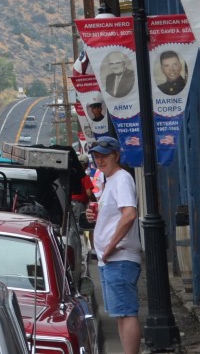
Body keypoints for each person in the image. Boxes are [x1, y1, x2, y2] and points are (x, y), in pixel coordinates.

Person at [88, 135, 141, 354]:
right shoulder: (111, 181)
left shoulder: (122, 179)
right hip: (111, 259)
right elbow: (117, 215)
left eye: (105, 156)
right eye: (96, 156)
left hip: (119, 257)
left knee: (126, 312)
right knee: (120, 314)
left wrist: (110, 246)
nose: (100, 160)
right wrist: (96, 216)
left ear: (116, 156)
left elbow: (129, 214)